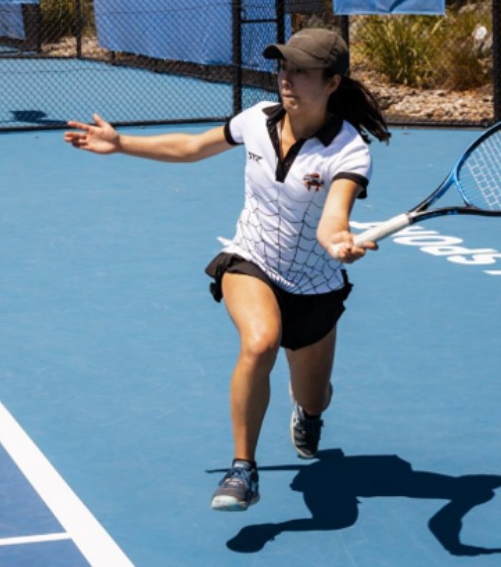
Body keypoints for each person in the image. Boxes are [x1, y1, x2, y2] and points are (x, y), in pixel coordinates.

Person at [63, 27, 391, 511]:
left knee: (315, 395)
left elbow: (333, 220)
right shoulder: (258, 119)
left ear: (332, 83)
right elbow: (195, 147)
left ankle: (309, 410)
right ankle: (243, 470)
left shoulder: (348, 149)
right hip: (251, 259)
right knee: (259, 342)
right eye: (284, 66)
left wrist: (339, 243)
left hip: (316, 285)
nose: (287, 77)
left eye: (302, 71)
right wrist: (121, 143)